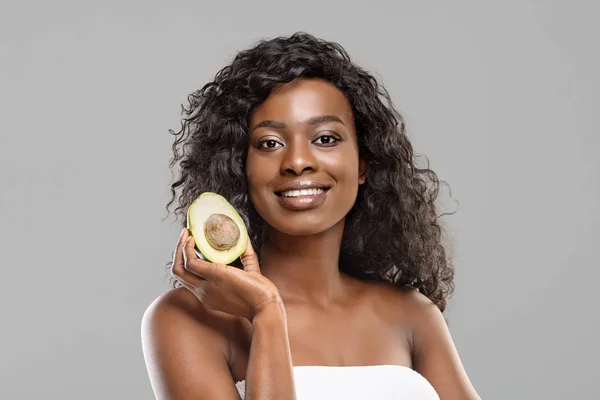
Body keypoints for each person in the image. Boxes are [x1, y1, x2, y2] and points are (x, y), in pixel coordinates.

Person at [141, 32, 481, 400]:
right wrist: (267, 314)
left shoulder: (412, 314)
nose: (298, 162)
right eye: (270, 143)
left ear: (363, 162)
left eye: (325, 139)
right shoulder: (189, 317)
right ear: (241, 166)